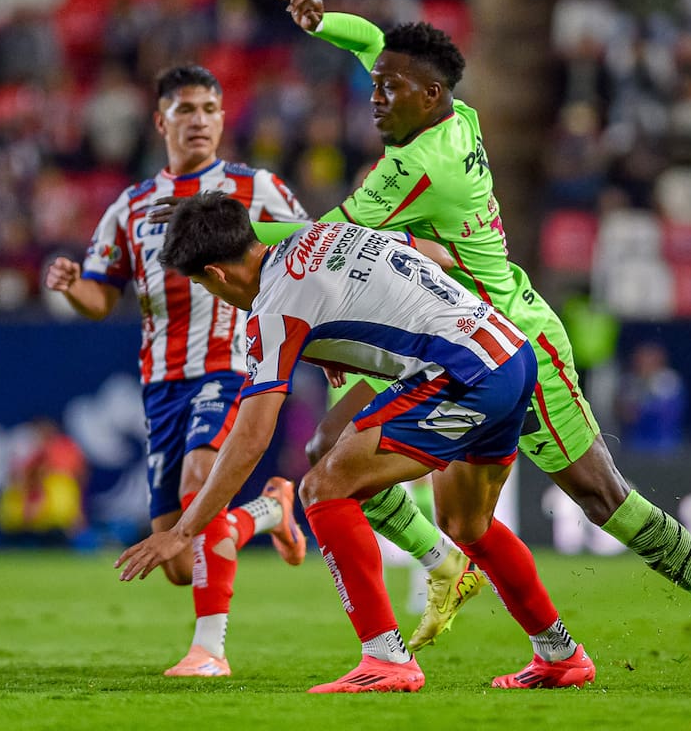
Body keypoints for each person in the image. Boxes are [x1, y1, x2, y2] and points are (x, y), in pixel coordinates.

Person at [277, 0, 691, 689]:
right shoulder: (453, 115)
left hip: (515, 343)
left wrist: (226, 230)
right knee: (432, 504)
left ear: (428, 94)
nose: (375, 98)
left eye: (388, 89)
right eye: (377, 85)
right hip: (450, 342)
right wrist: (326, 23)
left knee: (601, 497)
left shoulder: (418, 166)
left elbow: (320, 241)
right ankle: (548, 646)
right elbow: (374, 47)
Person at [116, 192, 597, 694]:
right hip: (510, 352)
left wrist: (184, 530)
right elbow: (438, 256)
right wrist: (348, 334)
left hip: (462, 374)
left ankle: (387, 659)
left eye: (202, 284)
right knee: (465, 523)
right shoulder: (320, 234)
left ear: (216, 274)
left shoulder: (273, 311)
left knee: (323, 487)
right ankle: (560, 654)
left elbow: (252, 436)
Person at [44, 64, 309, 679]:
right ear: (161, 121)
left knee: (199, 477)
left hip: (233, 361)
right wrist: (71, 286)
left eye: (211, 109)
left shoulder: (256, 187)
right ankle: (270, 511)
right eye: (186, 109)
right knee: (179, 559)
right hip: (162, 382)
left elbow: (309, 247)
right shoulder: (130, 206)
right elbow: (100, 296)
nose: (200, 121)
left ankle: (209, 651)